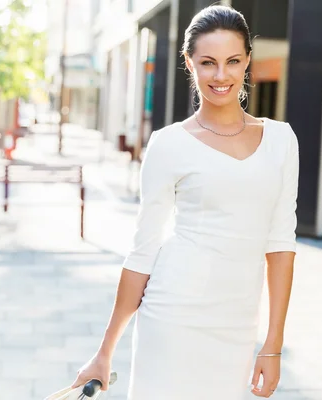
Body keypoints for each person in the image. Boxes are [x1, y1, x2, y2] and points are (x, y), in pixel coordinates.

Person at [72, 5, 299, 399]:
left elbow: (281, 243)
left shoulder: (281, 140)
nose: (220, 75)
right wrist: (104, 352)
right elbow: (143, 251)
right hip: (172, 316)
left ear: (247, 60)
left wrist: (273, 342)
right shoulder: (169, 143)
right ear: (189, 62)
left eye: (232, 61)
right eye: (208, 62)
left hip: (238, 325)